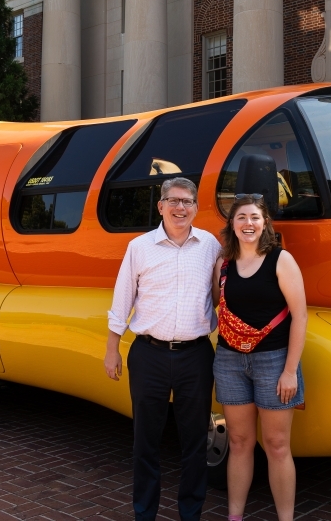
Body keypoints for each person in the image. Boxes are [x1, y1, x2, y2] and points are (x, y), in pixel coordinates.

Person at [104, 177, 222, 521]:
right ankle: (145, 513)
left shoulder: (210, 245)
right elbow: (121, 300)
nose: (180, 208)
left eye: (187, 202)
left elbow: (222, 292)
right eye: (173, 200)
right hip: (148, 355)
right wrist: (112, 349)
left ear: (197, 208)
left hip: (196, 356)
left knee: (195, 443)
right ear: (160, 206)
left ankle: (191, 514)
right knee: (145, 443)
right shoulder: (139, 247)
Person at [212, 194, 307, 521]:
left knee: (277, 444)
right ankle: (234, 517)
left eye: (254, 217)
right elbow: (216, 305)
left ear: (265, 223)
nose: (248, 224)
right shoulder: (222, 264)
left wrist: (290, 371)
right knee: (239, 442)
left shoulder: (281, 260)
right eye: (241, 218)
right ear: (232, 224)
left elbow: (300, 317)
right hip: (229, 361)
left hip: (274, 362)